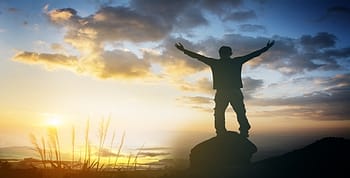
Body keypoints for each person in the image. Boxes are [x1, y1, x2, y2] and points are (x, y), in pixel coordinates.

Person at [175, 40, 274, 137]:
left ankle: (220, 132)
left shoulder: (215, 63)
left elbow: (198, 57)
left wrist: (184, 50)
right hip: (235, 91)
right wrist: (266, 48)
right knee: (240, 111)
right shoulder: (237, 61)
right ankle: (244, 131)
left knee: (219, 112)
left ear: (220, 54)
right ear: (230, 53)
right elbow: (253, 55)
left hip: (221, 92)